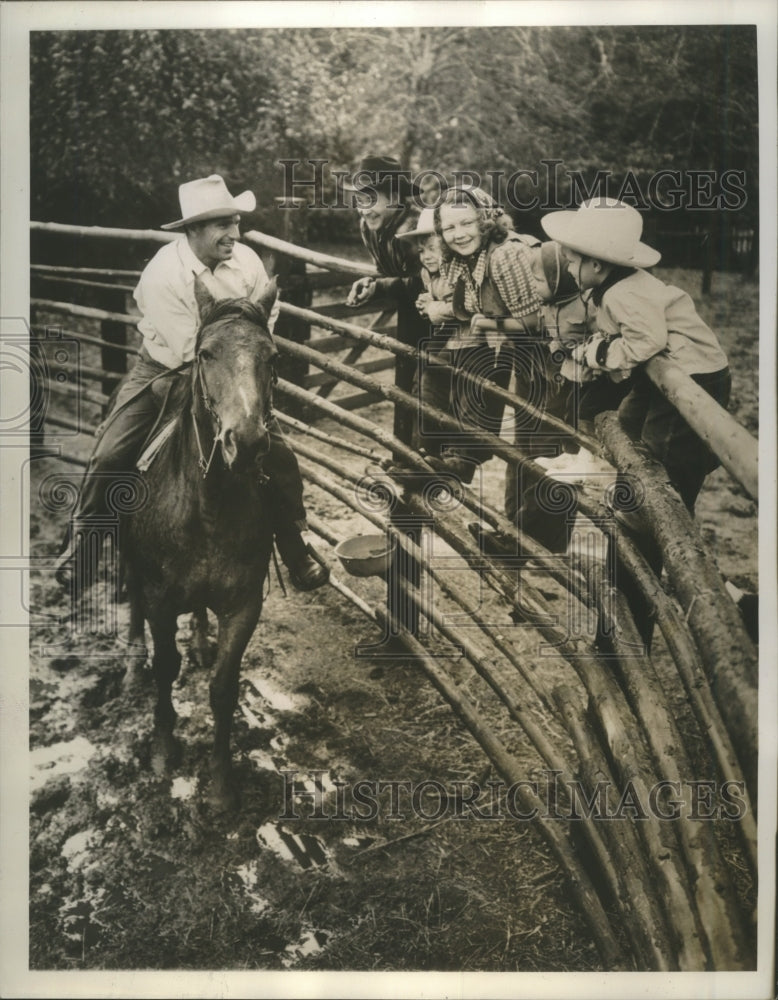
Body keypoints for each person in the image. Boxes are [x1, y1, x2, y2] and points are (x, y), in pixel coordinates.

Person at [55, 174, 329, 596]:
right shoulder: (164, 274)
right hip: (167, 368)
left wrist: (246, 367)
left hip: (233, 369)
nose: (234, 234)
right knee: (111, 450)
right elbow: (188, 349)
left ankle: (296, 549)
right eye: (223, 225)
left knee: (280, 458)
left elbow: (262, 324)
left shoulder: (249, 262)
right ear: (193, 230)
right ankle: (85, 543)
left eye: (235, 222)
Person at [541, 196, 731, 515]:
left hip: (693, 376)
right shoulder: (618, 287)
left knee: (665, 448)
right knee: (628, 420)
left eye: (572, 261)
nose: (569, 269)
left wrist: (597, 354)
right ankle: (622, 482)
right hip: (664, 371)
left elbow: (646, 342)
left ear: (597, 265)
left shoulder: (622, 293)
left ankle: (655, 511)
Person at [344, 155, 426, 447]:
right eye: (359, 200)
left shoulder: (415, 228)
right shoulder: (370, 227)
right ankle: (403, 456)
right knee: (405, 383)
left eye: (370, 199)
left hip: (445, 315)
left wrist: (379, 288)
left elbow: (425, 283)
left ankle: (425, 462)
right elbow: (385, 273)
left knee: (430, 387)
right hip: (410, 311)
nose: (364, 209)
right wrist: (371, 284)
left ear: (394, 197)